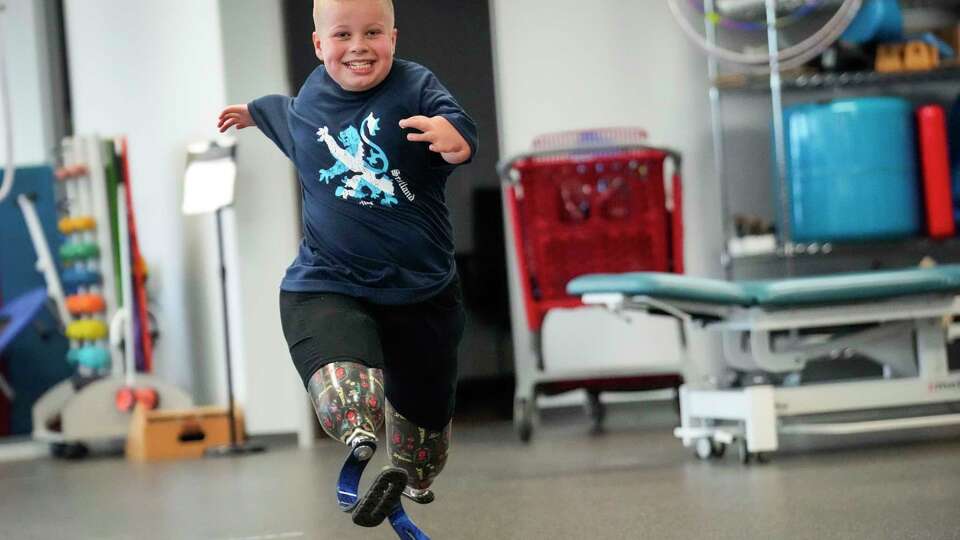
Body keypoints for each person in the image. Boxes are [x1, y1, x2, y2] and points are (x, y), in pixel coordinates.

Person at [217, 0, 477, 537]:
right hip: (329, 281)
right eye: (343, 35)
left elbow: (457, 124)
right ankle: (358, 434)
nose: (358, 45)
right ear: (319, 45)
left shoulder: (414, 85)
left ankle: (412, 472)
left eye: (373, 33)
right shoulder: (310, 99)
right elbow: (282, 113)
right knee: (340, 372)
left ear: (394, 37)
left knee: (425, 437)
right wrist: (249, 111)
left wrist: (453, 141)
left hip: (421, 290)